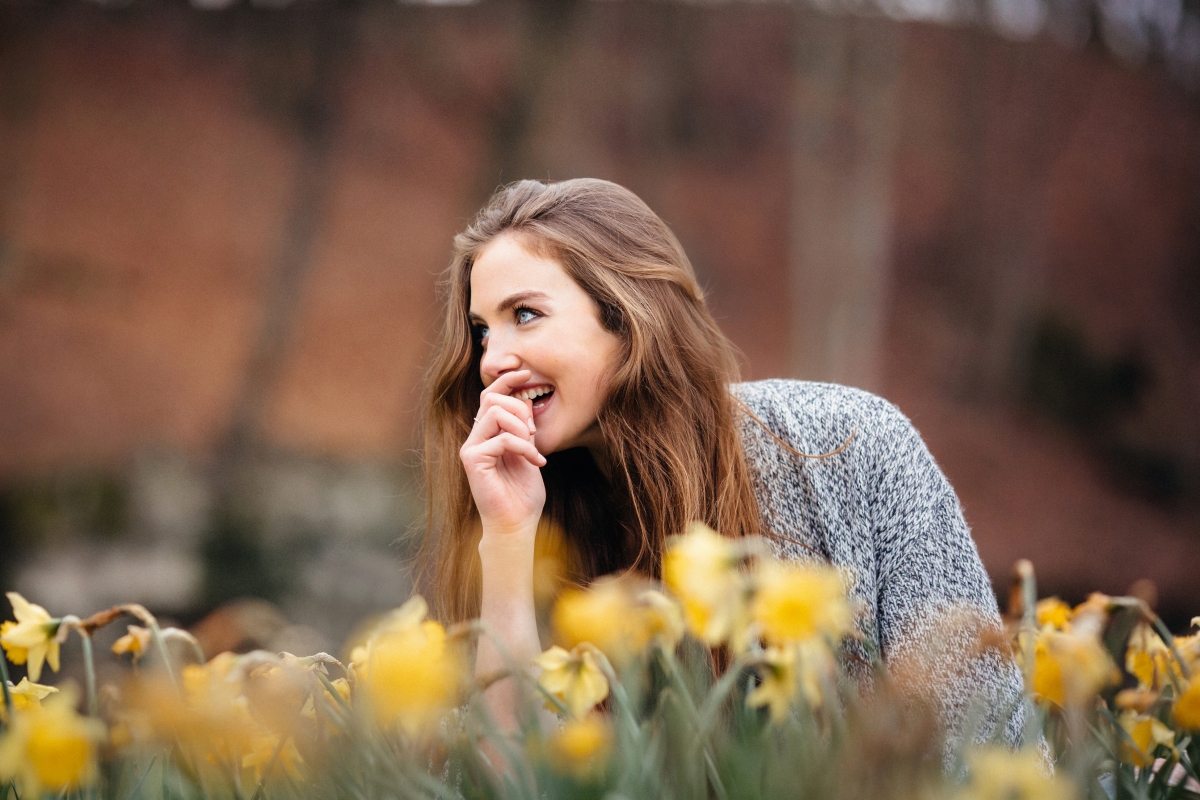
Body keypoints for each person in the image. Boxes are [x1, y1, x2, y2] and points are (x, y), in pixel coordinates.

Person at [416, 178, 1027, 756]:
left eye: (524, 314)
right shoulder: (530, 520)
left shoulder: (849, 445)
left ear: (628, 317)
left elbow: (983, 736)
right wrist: (505, 539)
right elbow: (512, 781)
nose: (492, 361)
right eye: (481, 332)